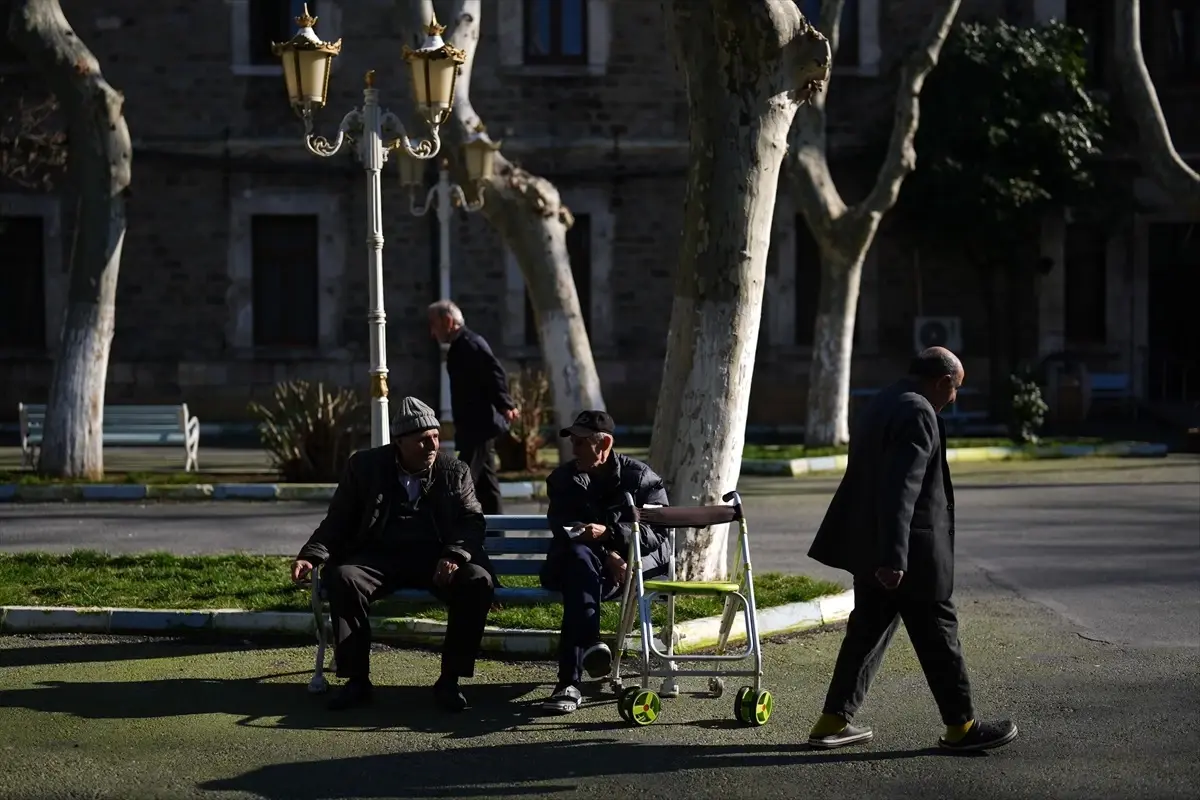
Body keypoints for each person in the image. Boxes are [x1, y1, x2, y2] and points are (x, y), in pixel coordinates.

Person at [805, 347, 1019, 752]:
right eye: (955, 389)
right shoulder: (920, 412)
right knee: (939, 635)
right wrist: (894, 556)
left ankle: (831, 722)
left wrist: (882, 552)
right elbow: (902, 488)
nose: (954, 399)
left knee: (866, 632)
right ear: (942, 382)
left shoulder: (880, 403)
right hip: (908, 554)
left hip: (871, 544)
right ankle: (961, 728)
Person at [290, 396, 495, 713]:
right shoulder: (365, 467)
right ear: (399, 442)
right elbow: (339, 519)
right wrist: (312, 554)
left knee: (477, 581)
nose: (432, 446)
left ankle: (450, 681)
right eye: (422, 440)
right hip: (380, 557)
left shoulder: (455, 470)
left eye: (436, 437)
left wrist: (455, 555)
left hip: (436, 558)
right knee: (344, 578)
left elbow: (472, 521)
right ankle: (356, 681)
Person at [538, 410, 672, 714]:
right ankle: (591, 643)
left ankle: (568, 684)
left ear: (605, 443)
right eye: (573, 442)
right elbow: (564, 529)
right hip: (576, 567)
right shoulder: (564, 479)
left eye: (581, 443)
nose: (574, 450)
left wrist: (610, 535)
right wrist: (608, 552)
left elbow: (657, 533)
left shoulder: (640, 479)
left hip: (618, 576)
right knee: (577, 560)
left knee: (579, 579)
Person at [428, 300, 519, 516]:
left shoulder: (471, 344)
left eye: (434, 324)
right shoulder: (460, 346)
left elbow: (493, 373)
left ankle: (447, 527)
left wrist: (505, 404)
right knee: (487, 484)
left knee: (461, 477)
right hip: (473, 425)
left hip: (479, 425)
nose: (432, 333)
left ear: (448, 321)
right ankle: (497, 533)